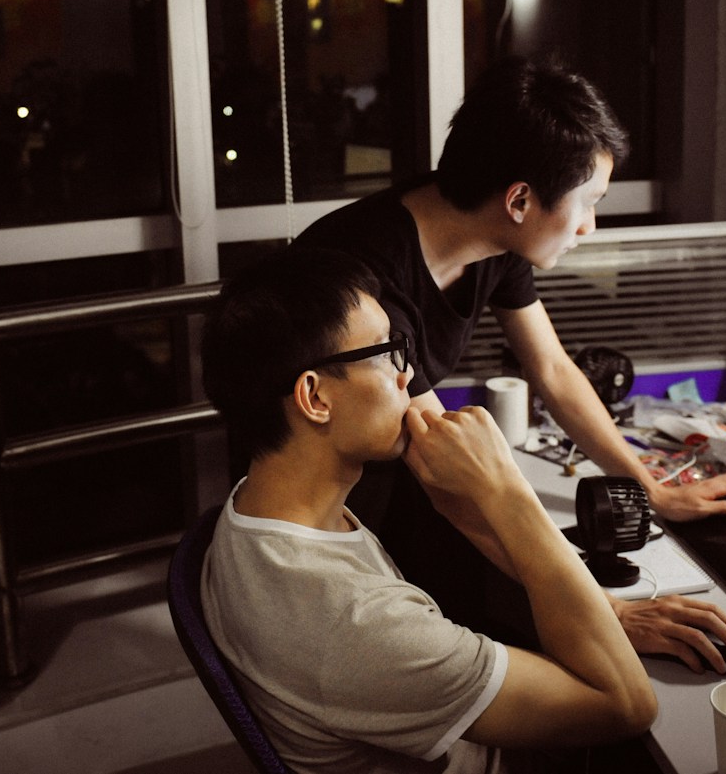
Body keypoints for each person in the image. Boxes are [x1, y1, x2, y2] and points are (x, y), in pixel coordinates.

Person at [294, 56, 726, 671]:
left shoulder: (492, 233)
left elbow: (554, 370)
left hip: (402, 484)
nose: (590, 227)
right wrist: (602, 610)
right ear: (520, 198)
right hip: (340, 517)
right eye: (588, 202)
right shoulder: (367, 275)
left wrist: (652, 489)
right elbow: (444, 467)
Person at [200, 247, 657, 773]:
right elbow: (628, 705)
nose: (408, 374)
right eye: (388, 351)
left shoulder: (254, 509)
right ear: (315, 398)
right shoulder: (359, 624)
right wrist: (507, 490)